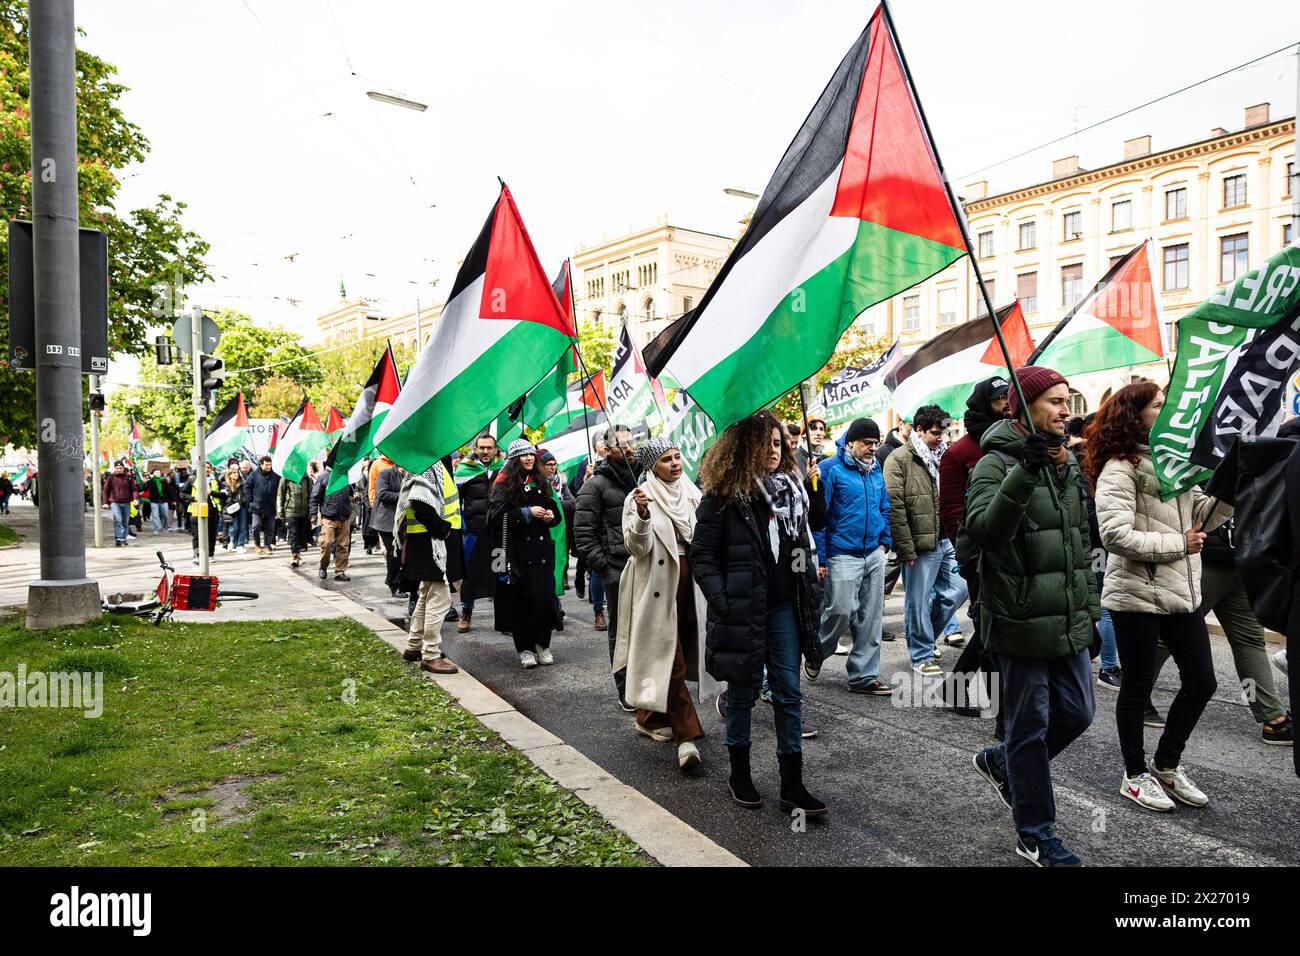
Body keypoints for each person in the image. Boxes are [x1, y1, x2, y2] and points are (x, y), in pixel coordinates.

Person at [966, 366, 1099, 867]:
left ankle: (1001, 762)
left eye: (1069, 401)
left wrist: (1087, 613)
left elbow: (1078, 547)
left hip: (1066, 619)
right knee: (1030, 727)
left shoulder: (1067, 463)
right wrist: (1025, 469)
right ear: (1024, 408)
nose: (1067, 410)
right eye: (1056, 402)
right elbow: (985, 532)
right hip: (1019, 620)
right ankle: (1035, 834)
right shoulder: (996, 463)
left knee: (1079, 714)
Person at [1088, 382, 1229, 812]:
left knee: (1202, 681)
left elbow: (1202, 516)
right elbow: (1114, 534)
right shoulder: (1119, 467)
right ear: (1134, 415)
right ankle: (1134, 774)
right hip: (1134, 594)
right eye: (1158, 406)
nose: (1167, 412)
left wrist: (1231, 491)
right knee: (1136, 685)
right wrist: (1177, 545)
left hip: (1181, 593)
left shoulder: (1174, 465)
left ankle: (1167, 764)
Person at [693, 410, 828, 817]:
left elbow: (801, 545)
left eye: (778, 443)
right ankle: (740, 774)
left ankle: (792, 784)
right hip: (741, 611)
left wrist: (808, 586)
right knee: (742, 692)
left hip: (784, 608)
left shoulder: (793, 491)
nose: (774, 450)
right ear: (744, 446)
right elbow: (702, 557)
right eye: (765, 443)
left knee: (789, 692)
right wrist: (724, 600)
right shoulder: (723, 496)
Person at [613, 438, 715, 769]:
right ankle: (687, 740)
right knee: (669, 659)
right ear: (651, 467)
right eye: (665, 460)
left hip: (691, 586)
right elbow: (636, 548)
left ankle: (649, 717)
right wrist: (642, 516)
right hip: (657, 589)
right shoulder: (639, 497)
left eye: (676, 456)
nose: (674, 463)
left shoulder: (692, 493)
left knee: (681, 651)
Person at [1151, 513, 1291, 745]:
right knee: (1246, 642)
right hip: (1234, 557)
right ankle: (1274, 719)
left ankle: (1137, 692)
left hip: (1222, 558)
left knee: (1173, 634)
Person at [806, 417, 893, 695]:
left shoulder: (876, 469)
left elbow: (884, 508)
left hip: (873, 553)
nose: (872, 448)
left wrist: (884, 542)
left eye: (875, 443)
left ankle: (864, 676)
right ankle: (816, 652)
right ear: (851, 442)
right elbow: (819, 519)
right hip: (841, 554)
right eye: (867, 443)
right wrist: (821, 558)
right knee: (839, 612)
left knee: (870, 617)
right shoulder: (829, 470)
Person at [940, 376, 1011, 716]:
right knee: (989, 625)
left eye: (1009, 396)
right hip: (979, 553)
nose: (1007, 403)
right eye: (1000, 399)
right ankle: (994, 701)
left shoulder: (1015, 440)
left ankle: (995, 701)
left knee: (995, 625)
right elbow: (952, 510)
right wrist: (966, 552)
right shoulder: (960, 452)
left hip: (1012, 551)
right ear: (985, 403)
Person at [884, 404, 967, 676]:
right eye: (934, 433)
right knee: (917, 602)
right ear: (918, 430)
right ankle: (921, 655)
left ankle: (926, 638)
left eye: (943, 432)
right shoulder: (898, 459)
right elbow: (895, 506)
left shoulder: (947, 456)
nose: (940, 437)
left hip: (948, 539)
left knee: (958, 589)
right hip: (919, 544)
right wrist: (905, 546)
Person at [575, 424, 637, 706]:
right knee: (621, 631)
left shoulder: (643, 479)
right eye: (621, 444)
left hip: (646, 567)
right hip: (617, 569)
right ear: (608, 449)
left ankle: (646, 686)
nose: (629, 448)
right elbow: (584, 537)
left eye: (631, 442)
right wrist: (607, 571)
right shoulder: (594, 485)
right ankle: (625, 689)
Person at [487, 440, 563, 668]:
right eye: (523, 455)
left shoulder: (541, 482)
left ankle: (543, 644)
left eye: (531, 455)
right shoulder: (503, 484)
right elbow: (495, 519)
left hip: (542, 554)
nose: (529, 459)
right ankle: (525, 649)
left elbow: (556, 514)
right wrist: (525, 513)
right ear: (514, 460)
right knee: (521, 603)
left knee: (544, 600)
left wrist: (550, 516)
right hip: (517, 553)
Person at [397, 458, 464, 675]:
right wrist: (443, 530)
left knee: (426, 596)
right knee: (440, 599)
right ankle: (430, 654)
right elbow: (421, 505)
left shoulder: (430, 463)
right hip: (433, 542)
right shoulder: (427, 465)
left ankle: (414, 646)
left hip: (428, 542)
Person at [455, 434, 503, 632]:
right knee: (470, 574)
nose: (485, 451)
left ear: (495, 449)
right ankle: (466, 612)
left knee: (500, 573)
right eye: (482, 447)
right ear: (475, 449)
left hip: (498, 532)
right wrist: (462, 525)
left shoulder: (503, 470)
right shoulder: (465, 470)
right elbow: (455, 501)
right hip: (473, 532)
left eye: (489, 448)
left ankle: (503, 617)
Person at [539, 450, 576, 617]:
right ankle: (553, 606)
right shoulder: (538, 485)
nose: (553, 468)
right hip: (545, 531)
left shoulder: (561, 482)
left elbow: (572, 503)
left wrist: (558, 506)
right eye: (549, 465)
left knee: (559, 562)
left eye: (554, 465)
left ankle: (556, 605)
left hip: (561, 528)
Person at [370, 457, 406, 597]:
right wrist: (404, 496)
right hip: (385, 521)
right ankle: (394, 584)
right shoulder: (385, 473)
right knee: (393, 553)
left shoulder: (409, 475)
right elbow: (382, 494)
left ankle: (397, 581)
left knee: (402, 554)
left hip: (402, 521)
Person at [312, 464, 353, 581]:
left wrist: (355, 495)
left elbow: (351, 491)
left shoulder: (346, 476)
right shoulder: (324, 476)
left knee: (343, 546)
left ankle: (340, 572)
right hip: (329, 517)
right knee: (327, 543)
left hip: (344, 517)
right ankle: (323, 566)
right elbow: (314, 497)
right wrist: (313, 514)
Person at [278, 468, 313, 569]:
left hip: (304, 512)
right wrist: (280, 511)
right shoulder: (286, 478)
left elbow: (311, 495)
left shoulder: (307, 479)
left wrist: (311, 512)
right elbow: (281, 496)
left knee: (301, 534)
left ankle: (298, 554)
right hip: (290, 511)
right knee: (294, 533)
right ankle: (294, 556)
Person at [246, 456, 280, 556]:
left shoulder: (275, 475)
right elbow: (247, 487)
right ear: (261, 464)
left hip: (271, 506)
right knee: (256, 526)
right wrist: (250, 500)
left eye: (270, 465)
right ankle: (257, 544)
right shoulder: (254, 475)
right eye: (266, 465)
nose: (268, 466)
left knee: (270, 527)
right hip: (256, 506)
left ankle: (267, 545)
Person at [102, 462, 136, 546]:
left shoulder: (128, 478)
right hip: (115, 502)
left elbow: (134, 489)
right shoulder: (111, 477)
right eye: (117, 468)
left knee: (125, 521)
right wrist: (105, 502)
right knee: (118, 520)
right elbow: (106, 491)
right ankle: (118, 538)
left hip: (126, 502)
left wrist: (135, 499)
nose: (119, 469)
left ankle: (124, 537)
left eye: (121, 468)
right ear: (115, 469)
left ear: (123, 468)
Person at [220, 467, 244, 551]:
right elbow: (223, 497)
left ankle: (240, 545)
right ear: (229, 475)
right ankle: (232, 542)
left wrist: (243, 501)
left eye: (237, 473)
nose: (236, 474)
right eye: (234, 473)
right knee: (234, 527)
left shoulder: (242, 483)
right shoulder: (224, 484)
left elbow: (245, 494)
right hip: (230, 508)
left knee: (242, 527)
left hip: (241, 507)